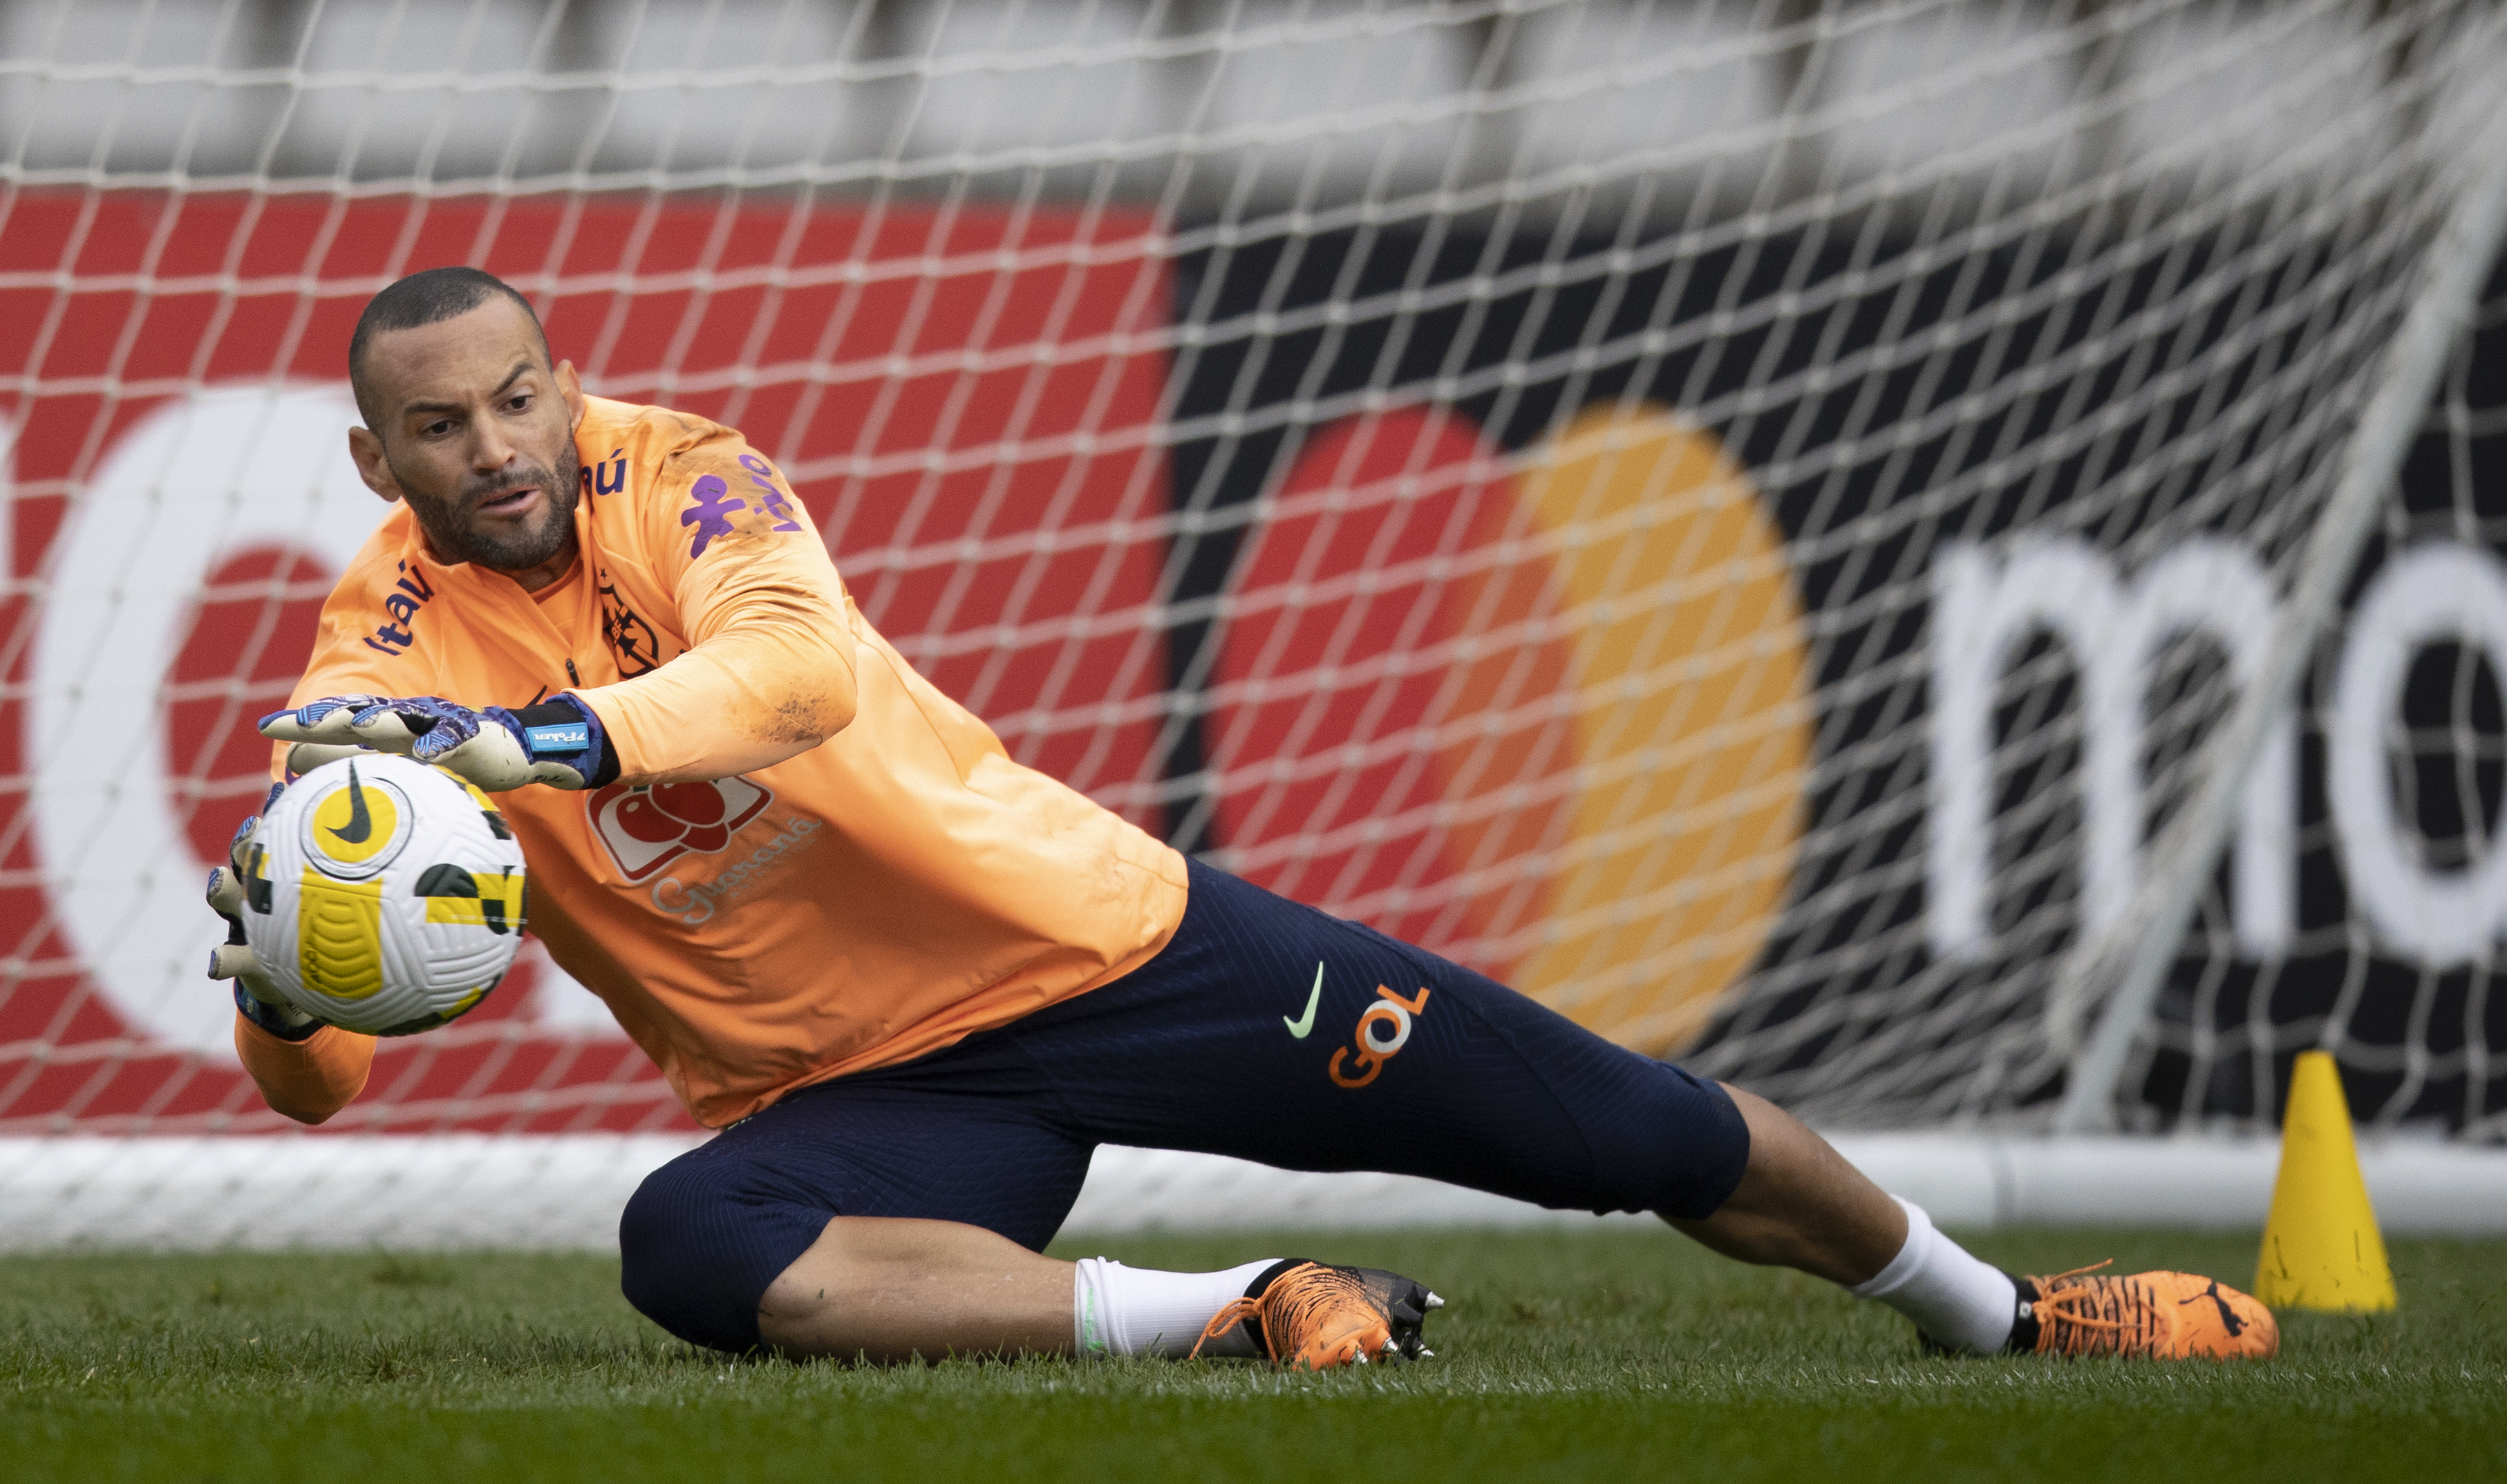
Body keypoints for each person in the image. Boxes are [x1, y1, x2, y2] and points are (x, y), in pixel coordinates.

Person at [209, 266, 2278, 1369]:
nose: (494, 447)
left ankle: (2007, 1314)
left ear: (565, 385)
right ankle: (1246, 1306)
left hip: (1106, 947)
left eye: (517, 399)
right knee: (690, 1245)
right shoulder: (369, 655)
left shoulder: (694, 472)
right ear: (371, 447)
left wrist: (543, 748)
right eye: (440, 425)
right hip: (859, 1088)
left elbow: (796, 678)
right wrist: (280, 974)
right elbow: (315, 1078)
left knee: (1628, 1131)